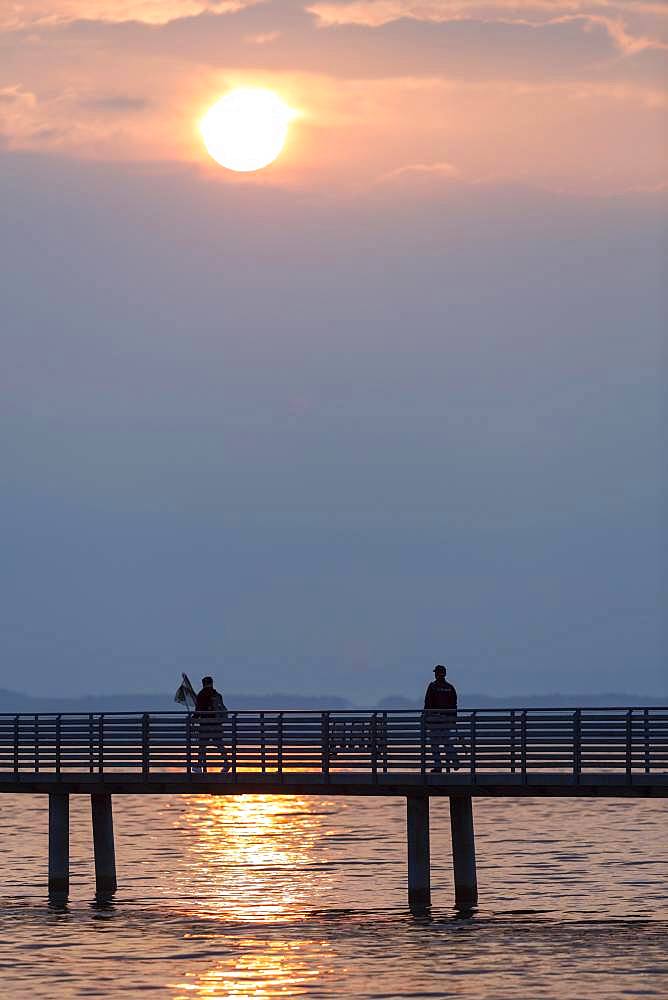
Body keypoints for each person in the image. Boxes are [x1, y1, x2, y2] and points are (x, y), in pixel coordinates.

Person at [424, 664, 460, 772]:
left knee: (434, 743)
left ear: (436, 674)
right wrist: (453, 719)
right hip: (447, 720)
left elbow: (428, 704)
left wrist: (426, 717)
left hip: (434, 720)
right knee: (446, 741)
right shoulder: (450, 687)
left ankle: (438, 765)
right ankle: (455, 761)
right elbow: (454, 705)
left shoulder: (432, 686)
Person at [192, 676, 230, 774]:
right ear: (212, 683)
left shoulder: (201, 695)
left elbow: (198, 711)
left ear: (203, 684)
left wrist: (192, 719)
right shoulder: (217, 695)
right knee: (218, 744)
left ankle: (199, 766)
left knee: (202, 746)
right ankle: (226, 763)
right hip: (217, 724)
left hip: (205, 725)